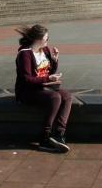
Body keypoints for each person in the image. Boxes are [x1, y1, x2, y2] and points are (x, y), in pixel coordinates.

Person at [15, 24, 73, 153]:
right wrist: (48, 79)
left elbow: (48, 72)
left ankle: (59, 134)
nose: (48, 40)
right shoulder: (25, 54)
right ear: (38, 39)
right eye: (46, 38)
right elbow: (27, 79)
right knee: (55, 97)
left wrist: (55, 60)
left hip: (43, 88)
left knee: (67, 96)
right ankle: (44, 138)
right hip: (27, 91)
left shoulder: (45, 50)